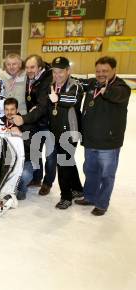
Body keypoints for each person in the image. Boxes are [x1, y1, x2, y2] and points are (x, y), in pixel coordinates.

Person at [75, 56, 131, 216]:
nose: (101, 74)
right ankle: (90, 196)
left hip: (108, 142)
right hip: (91, 140)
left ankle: (102, 203)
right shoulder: (93, 83)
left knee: (106, 175)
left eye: (105, 71)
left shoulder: (121, 88)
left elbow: (118, 95)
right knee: (90, 171)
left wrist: (108, 91)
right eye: (98, 71)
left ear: (114, 70)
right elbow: (75, 80)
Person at [12, 54, 56, 196]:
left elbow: (43, 107)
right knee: (35, 151)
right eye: (28, 67)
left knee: (50, 156)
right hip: (35, 121)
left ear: (40, 67)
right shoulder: (30, 78)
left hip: (48, 123)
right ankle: (37, 178)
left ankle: (47, 183)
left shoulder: (48, 80)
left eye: (33, 67)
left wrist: (24, 119)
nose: (29, 70)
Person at [46, 57, 84, 209]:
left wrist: (57, 97)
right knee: (68, 161)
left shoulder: (75, 85)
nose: (57, 75)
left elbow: (72, 100)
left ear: (68, 71)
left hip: (69, 132)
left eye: (60, 72)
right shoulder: (52, 85)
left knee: (63, 163)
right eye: (54, 72)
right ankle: (77, 189)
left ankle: (66, 196)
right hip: (55, 131)